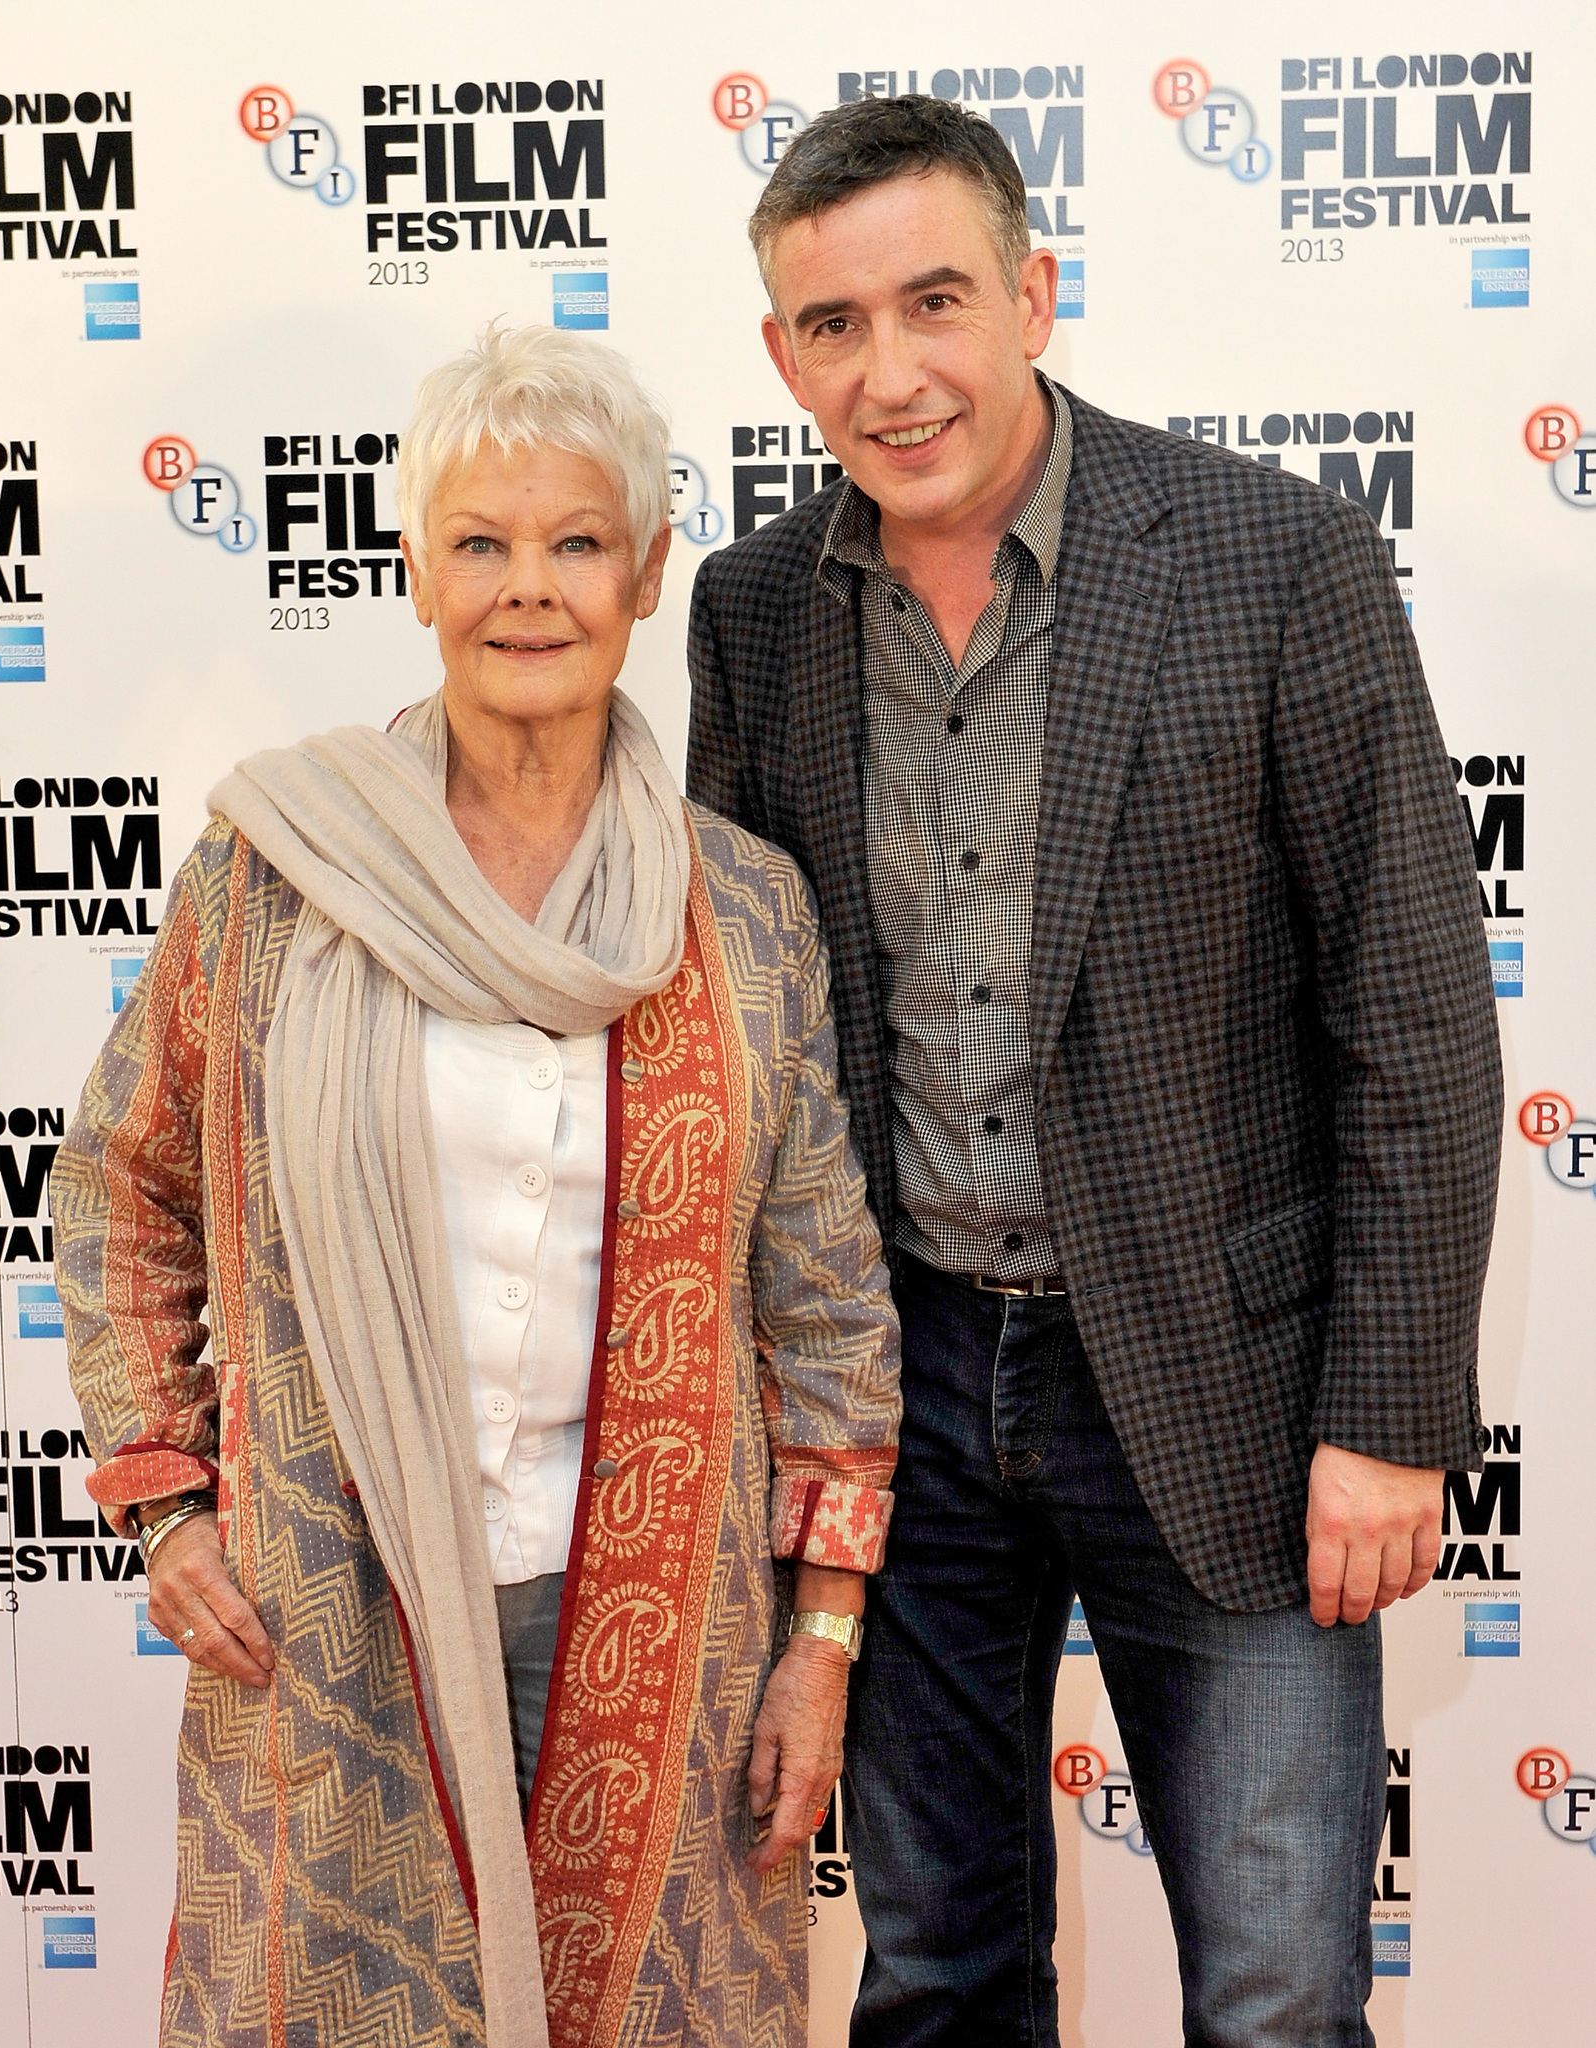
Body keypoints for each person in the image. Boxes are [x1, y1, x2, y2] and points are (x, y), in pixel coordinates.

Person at [686, 96, 1501, 2047]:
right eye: (833, 325)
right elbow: (752, 1047)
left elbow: (1412, 1016)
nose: (894, 373)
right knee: (939, 1974)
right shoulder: (749, 614)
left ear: (1037, 291)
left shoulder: (1269, 561)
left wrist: (1388, 1411)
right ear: (782, 354)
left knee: (1279, 1997)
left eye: (937, 300)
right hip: (906, 1397)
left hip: (1217, 1384)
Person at [53, 321, 901, 2048]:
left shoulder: (737, 913)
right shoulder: (277, 876)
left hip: (666, 1622)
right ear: (417, 570)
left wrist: (818, 1638)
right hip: (325, 1594)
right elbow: (118, 1185)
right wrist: (166, 1488)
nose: (531, 590)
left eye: (578, 543)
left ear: (649, 575)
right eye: (483, 544)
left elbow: (823, 1293)